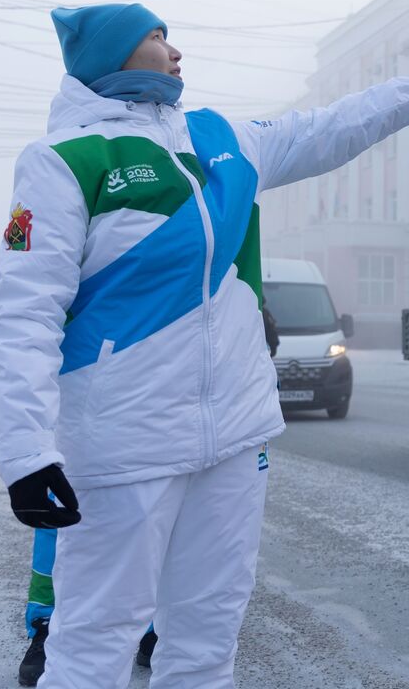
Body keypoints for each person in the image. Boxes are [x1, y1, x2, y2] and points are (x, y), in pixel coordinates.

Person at [0, 2, 409, 689]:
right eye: (156, 38)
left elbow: (329, 127)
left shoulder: (219, 140)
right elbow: (23, 311)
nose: (175, 52)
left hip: (234, 434)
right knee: (94, 639)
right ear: (111, 54)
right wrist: (25, 452)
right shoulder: (64, 160)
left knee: (209, 630)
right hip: (124, 439)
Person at [14, 284, 285, 685]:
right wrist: (24, 444)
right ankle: (45, 623)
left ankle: (151, 629)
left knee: (195, 591)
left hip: (219, 414)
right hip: (117, 412)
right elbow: (28, 305)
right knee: (68, 539)